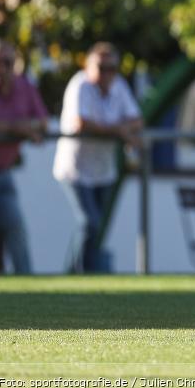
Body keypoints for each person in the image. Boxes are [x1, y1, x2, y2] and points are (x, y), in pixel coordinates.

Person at [53, 42, 142, 273]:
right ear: (89, 65)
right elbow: (82, 123)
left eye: (112, 68)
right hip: (75, 169)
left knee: (96, 227)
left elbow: (136, 119)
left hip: (104, 169)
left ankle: (84, 275)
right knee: (88, 223)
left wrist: (119, 128)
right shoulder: (80, 85)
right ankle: (74, 274)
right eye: (102, 67)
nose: (107, 73)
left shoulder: (119, 86)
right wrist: (118, 130)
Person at [0, 41, 47, 274]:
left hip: (2, 173)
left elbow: (41, 122)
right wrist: (17, 128)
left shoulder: (25, 87)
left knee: (15, 226)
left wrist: (16, 128)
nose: (2, 68)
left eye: (8, 62)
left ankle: (27, 286)